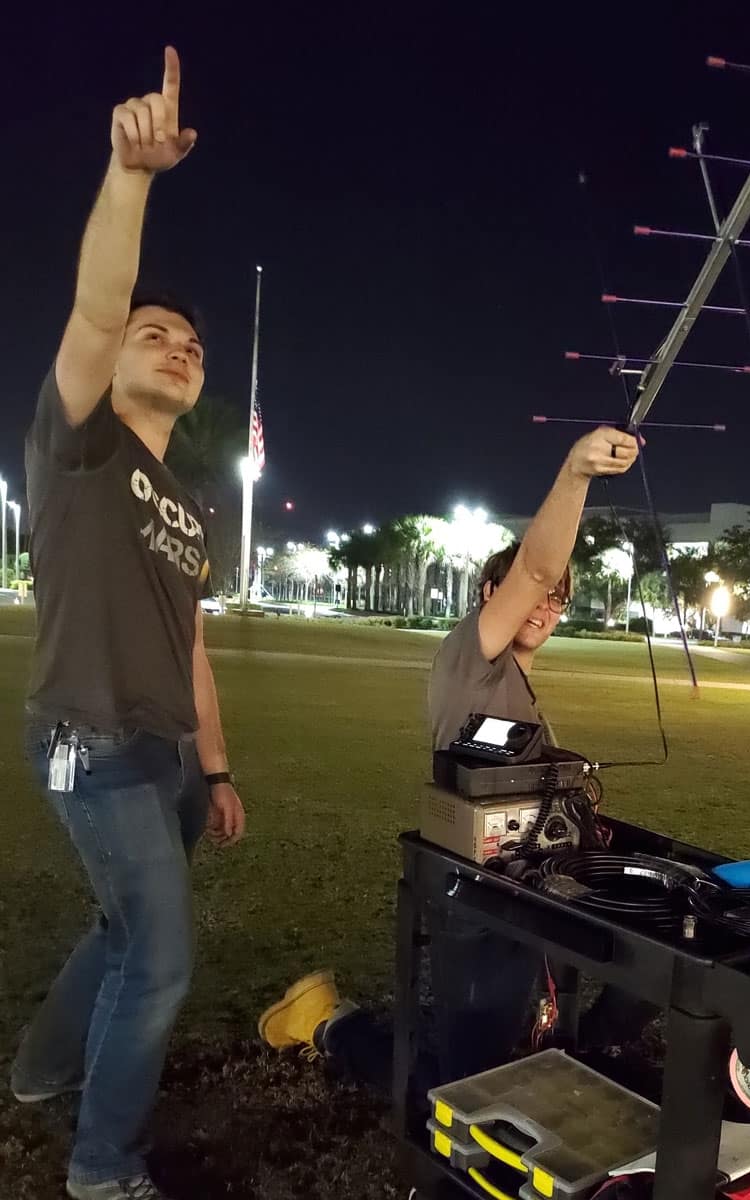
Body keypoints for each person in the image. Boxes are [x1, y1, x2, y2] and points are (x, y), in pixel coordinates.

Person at [9, 48, 246, 1200]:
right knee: (157, 958)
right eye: (160, 335)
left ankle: (45, 1071)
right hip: (88, 741)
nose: (181, 345)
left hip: (166, 757)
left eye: (193, 343)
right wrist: (132, 178)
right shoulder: (79, 447)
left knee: (118, 929)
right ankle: (101, 1170)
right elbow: (99, 303)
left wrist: (218, 767)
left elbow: (192, 647)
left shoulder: (191, 503)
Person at [258, 426, 655, 1091]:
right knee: (458, 1088)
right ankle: (328, 1021)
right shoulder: (474, 657)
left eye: (558, 598)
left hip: (518, 882)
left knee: (561, 1019)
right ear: (489, 595)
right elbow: (534, 567)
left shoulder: (516, 685)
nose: (545, 603)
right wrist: (576, 474)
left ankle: (578, 1047)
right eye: (534, 592)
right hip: (474, 897)